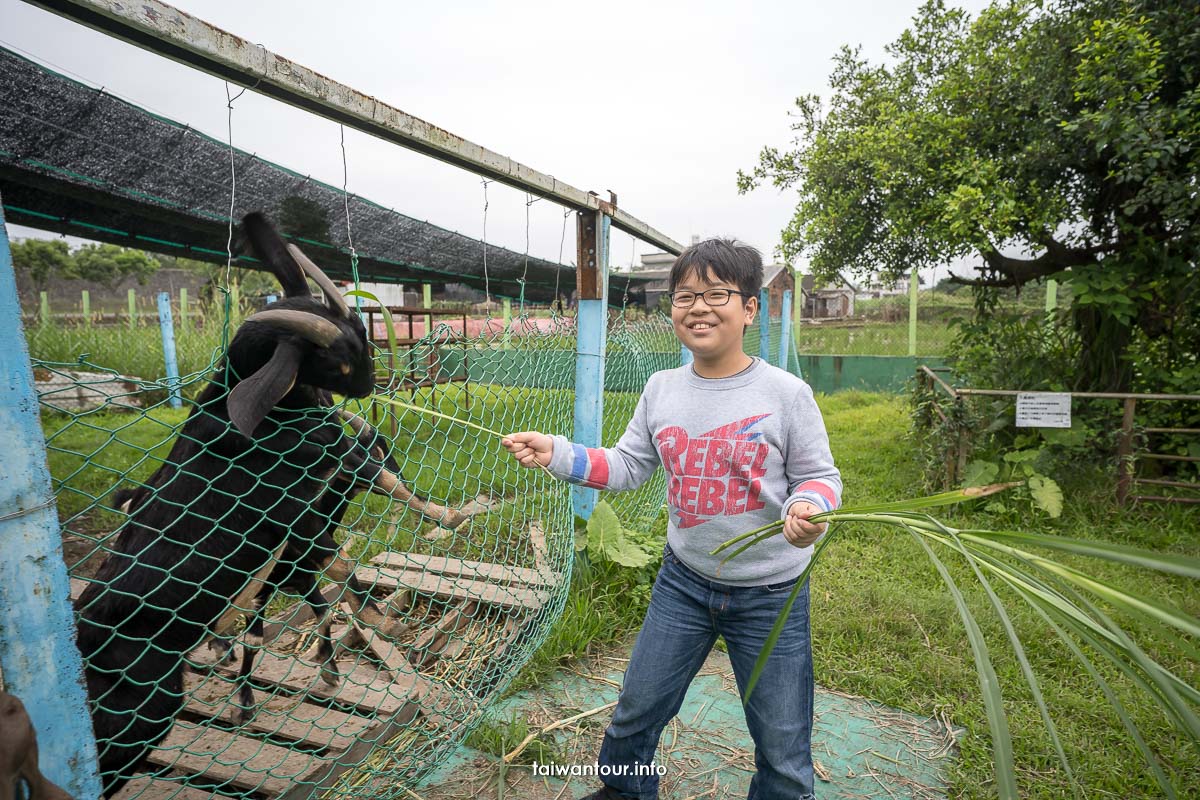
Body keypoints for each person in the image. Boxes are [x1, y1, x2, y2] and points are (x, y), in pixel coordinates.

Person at [502, 238, 841, 800]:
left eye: (716, 294)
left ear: (750, 308)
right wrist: (558, 453)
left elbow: (820, 477)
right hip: (682, 584)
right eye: (685, 296)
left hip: (770, 593)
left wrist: (810, 507)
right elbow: (631, 465)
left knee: (782, 744)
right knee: (635, 713)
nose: (698, 307)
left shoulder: (787, 395)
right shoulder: (662, 388)